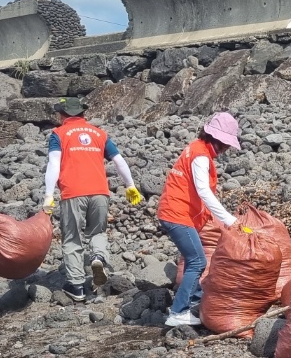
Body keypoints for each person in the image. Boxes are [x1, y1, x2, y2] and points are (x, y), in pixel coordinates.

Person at [41, 96, 144, 302]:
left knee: (72, 238)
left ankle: (77, 286)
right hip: (100, 192)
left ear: (62, 115)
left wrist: (49, 195)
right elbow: (119, 161)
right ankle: (98, 257)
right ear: (83, 114)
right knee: (98, 231)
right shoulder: (99, 134)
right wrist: (130, 185)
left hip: (73, 193)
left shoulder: (58, 134)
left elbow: (54, 164)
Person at [156, 111, 241, 328]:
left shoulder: (196, 148)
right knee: (197, 261)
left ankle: (192, 301)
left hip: (176, 212)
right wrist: (229, 220)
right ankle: (178, 312)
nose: (226, 150)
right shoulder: (201, 156)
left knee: (195, 259)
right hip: (176, 214)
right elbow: (204, 191)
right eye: (227, 145)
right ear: (219, 140)